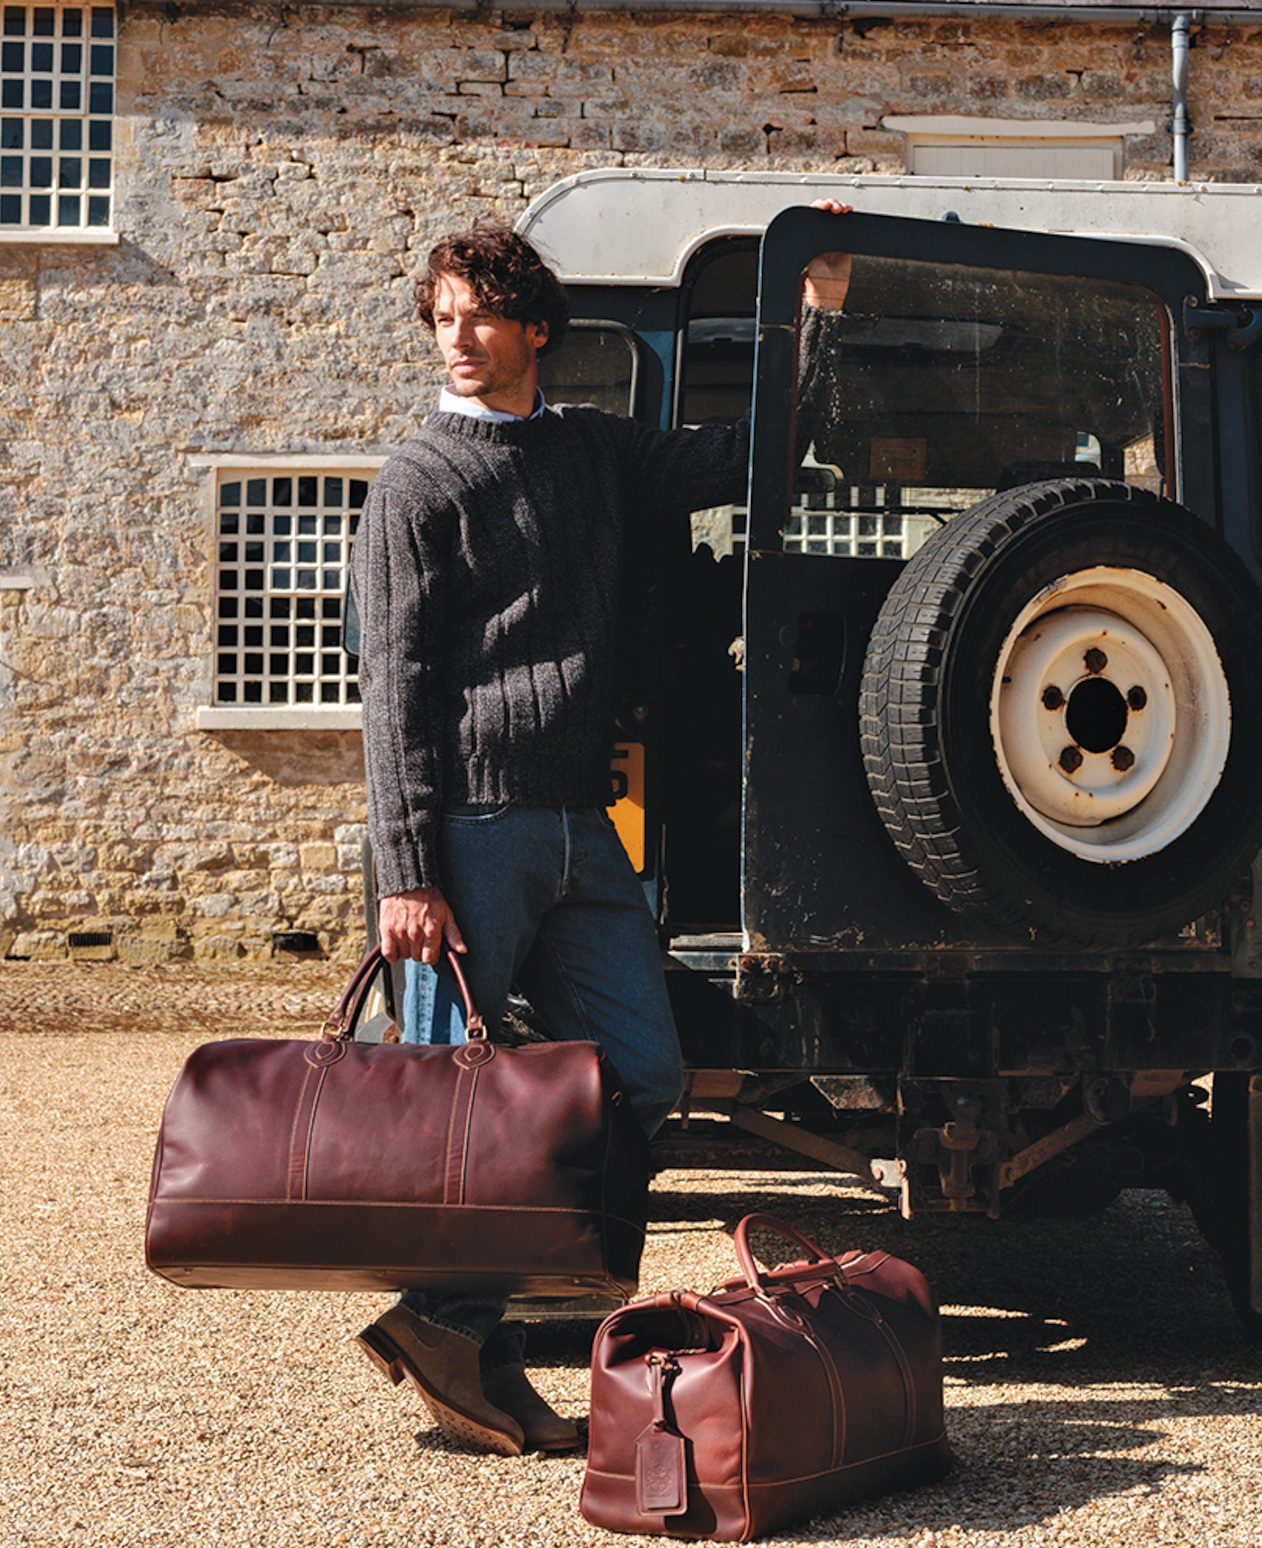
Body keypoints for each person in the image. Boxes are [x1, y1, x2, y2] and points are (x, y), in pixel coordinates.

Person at [349, 210, 851, 1456]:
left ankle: (454, 1319)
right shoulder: (419, 481)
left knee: (645, 1073)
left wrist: (822, 322)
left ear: (536, 331)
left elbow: (755, 455)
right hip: (468, 832)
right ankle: (474, 1345)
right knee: (456, 1117)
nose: (460, 338)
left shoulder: (588, 450)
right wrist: (408, 874)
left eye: (482, 315)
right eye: (443, 316)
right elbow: (394, 690)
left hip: (581, 819)